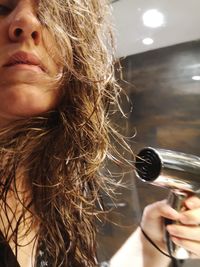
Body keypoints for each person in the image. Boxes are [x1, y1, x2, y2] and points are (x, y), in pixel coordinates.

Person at [0, 0, 200, 267]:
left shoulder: (58, 194)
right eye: (1, 8)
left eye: (51, 15)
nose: (26, 22)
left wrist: (153, 238)